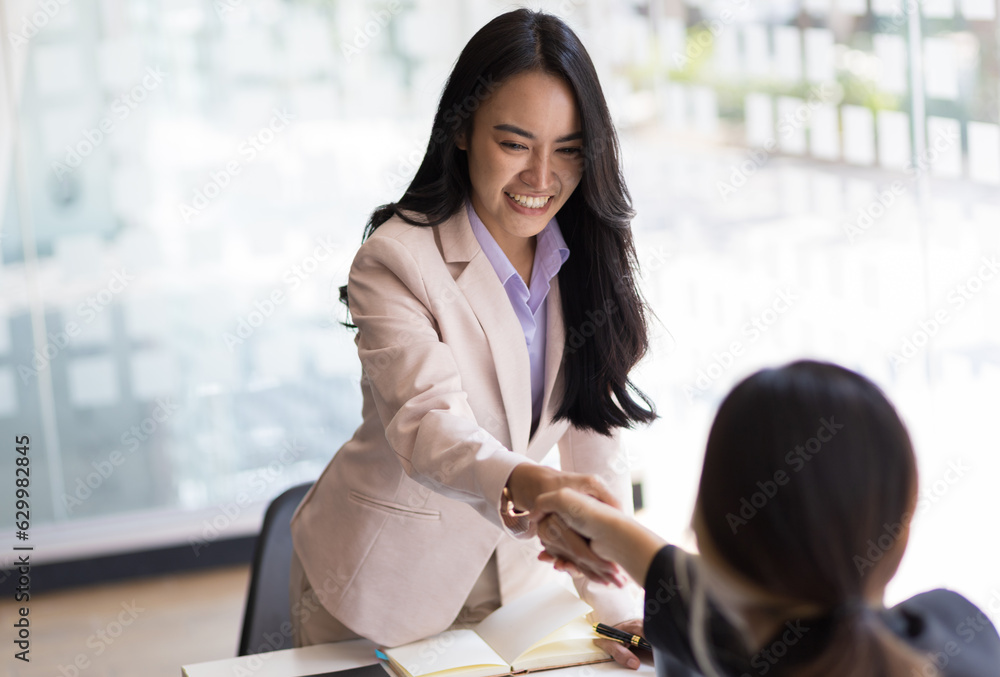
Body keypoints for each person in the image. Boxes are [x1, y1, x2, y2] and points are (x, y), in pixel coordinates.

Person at [288, 9, 657, 666]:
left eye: (568, 149)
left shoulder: (585, 256)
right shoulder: (396, 259)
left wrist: (623, 607)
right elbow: (430, 428)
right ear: (461, 129)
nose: (542, 178)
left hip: (521, 589)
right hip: (382, 585)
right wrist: (538, 486)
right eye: (515, 144)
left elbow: (592, 438)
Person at [531, 361, 1000, 677]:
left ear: (702, 527)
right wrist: (607, 529)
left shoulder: (722, 651)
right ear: (900, 531)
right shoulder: (960, 632)